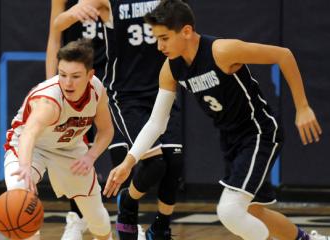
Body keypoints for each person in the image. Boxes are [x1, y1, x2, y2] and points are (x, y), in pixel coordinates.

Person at [103, 0, 329, 240]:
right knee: (253, 211)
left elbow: (283, 55)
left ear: (187, 31)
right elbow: (156, 123)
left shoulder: (222, 51)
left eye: (164, 38)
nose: (159, 46)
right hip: (231, 140)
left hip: (258, 132)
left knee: (230, 211)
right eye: (156, 39)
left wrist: (302, 107)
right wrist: (129, 162)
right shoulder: (170, 69)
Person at [54, 1, 184, 239]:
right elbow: (59, 24)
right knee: (154, 164)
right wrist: (73, 12)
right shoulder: (107, 2)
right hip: (128, 94)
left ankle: (161, 227)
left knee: (174, 164)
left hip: (162, 87)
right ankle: (125, 204)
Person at [4, 39, 114, 240]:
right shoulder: (49, 100)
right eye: (62, 75)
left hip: (70, 148)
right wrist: (26, 166)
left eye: (75, 76)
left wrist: (91, 157)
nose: (67, 83)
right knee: (19, 202)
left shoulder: (97, 91)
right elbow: (30, 133)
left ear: (90, 75)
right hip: (30, 148)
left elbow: (106, 131)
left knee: (97, 218)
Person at [46, 1, 109, 239]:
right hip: (76, 71)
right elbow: (54, 36)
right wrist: (51, 86)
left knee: (120, 146)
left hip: (111, 67)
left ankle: (128, 219)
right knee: (74, 146)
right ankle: (77, 218)